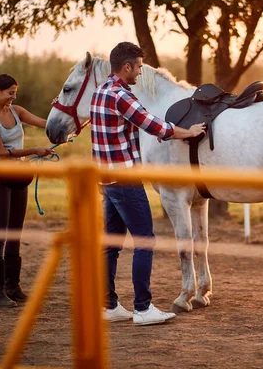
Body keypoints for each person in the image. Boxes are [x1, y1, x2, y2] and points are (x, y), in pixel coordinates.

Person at [91, 42, 206, 325]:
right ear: (127, 66)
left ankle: (109, 306)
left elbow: (104, 136)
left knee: (111, 244)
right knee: (144, 241)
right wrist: (187, 132)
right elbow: (155, 125)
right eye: (139, 66)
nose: (141, 72)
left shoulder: (100, 93)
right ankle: (142, 308)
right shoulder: (121, 95)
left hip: (108, 179)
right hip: (127, 181)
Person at [0, 74, 54, 308]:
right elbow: (1, 153)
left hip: (19, 176)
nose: (13, 97)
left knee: (15, 231)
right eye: (10, 92)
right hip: (1, 176)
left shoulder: (17, 111)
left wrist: (60, 113)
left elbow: (45, 123)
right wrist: (33, 149)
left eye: (15, 92)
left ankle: (13, 286)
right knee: (0, 231)